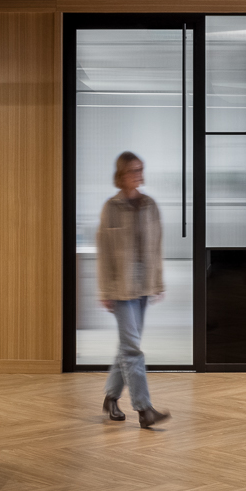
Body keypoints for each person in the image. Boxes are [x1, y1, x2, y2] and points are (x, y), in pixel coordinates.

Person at [97, 151, 170, 428]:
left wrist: (158, 283)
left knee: (128, 346)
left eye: (141, 169)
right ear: (121, 175)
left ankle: (111, 398)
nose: (138, 175)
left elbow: (157, 246)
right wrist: (105, 290)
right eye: (133, 170)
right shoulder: (111, 207)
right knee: (132, 349)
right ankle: (144, 409)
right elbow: (104, 252)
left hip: (143, 284)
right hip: (120, 286)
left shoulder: (150, 205)